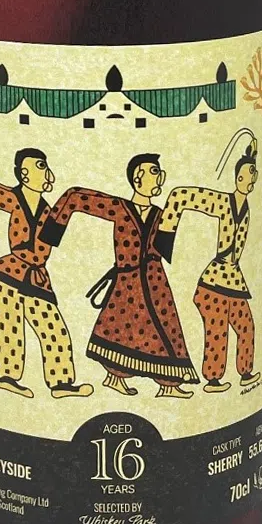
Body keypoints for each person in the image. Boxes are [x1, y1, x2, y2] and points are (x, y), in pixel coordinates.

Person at [0, 150, 94, 399]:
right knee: (9, 329)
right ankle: (7, 378)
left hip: (35, 279)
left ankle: (61, 383)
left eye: (45, 166)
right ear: (24, 174)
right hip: (5, 277)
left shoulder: (48, 210)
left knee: (55, 330)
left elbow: (73, 205)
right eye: (39, 166)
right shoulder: (14, 198)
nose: (45, 172)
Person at [59, 156, 199, 398]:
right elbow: (76, 197)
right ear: (137, 178)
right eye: (153, 171)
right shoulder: (119, 207)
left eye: (159, 172)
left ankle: (168, 384)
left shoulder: (162, 214)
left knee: (166, 328)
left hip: (155, 281)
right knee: (119, 332)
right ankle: (116, 378)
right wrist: (52, 232)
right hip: (128, 281)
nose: (159, 177)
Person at [159, 151, 262, 393]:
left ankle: (245, 373)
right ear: (237, 178)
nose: (249, 180)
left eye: (252, 175)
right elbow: (182, 195)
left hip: (233, 280)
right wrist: (166, 230)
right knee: (217, 333)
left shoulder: (245, 207)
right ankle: (213, 380)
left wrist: (252, 154)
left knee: (246, 327)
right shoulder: (224, 202)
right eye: (245, 176)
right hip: (213, 283)